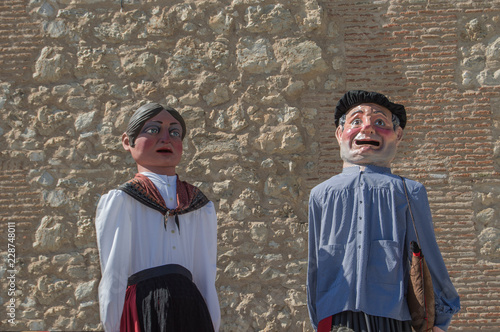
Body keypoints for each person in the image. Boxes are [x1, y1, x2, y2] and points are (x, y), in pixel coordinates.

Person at [307, 90, 460, 332]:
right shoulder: (321, 195)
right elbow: (315, 263)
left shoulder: (409, 191)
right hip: (335, 316)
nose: (367, 128)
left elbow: (427, 256)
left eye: (380, 122)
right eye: (356, 121)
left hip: (391, 316)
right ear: (339, 134)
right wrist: (318, 316)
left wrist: (438, 318)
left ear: (398, 135)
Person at [95, 103, 220, 332]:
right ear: (127, 142)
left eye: (175, 133)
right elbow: (114, 273)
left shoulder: (199, 205)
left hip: (191, 309)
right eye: (153, 130)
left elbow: (205, 274)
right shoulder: (123, 201)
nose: (166, 139)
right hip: (145, 308)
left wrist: (212, 323)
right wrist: (113, 326)